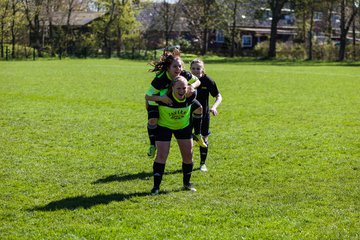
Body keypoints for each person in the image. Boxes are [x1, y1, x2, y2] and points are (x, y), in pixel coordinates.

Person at [145, 49, 207, 158]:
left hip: (176, 98)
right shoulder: (161, 79)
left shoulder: (183, 74)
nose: (178, 69)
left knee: (199, 108)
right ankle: (152, 145)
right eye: (175, 66)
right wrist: (161, 98)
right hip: (156, 100)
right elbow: (147, 96)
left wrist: (192, 86)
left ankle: (197, 134)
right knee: (153, 120)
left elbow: (198, 81)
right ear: (168, 68)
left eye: (180, 66)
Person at [145, 76, 201, 195]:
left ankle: (187, 184)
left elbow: (199, 108)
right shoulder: (164, 98)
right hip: (164, 127)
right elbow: (148, 99)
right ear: (172, 88)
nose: (181, 91)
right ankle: (156, 187)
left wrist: (197, 130)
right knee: (161, 156)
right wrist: (152, 113)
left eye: (184, 88)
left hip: (183, 127)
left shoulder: (190, 96)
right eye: (178, 88)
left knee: (188, 156)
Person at [190, 59, 222, 172]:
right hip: (188, 115)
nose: (195, 71)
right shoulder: (186, 80)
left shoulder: (208, 81)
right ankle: (189, 162)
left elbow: (219, 96)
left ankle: (202, 163)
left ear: (203, 69)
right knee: (188, 139)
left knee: (203, 139)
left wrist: (214, 107)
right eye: (193, 68)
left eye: (198, 68)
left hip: (204, 115)